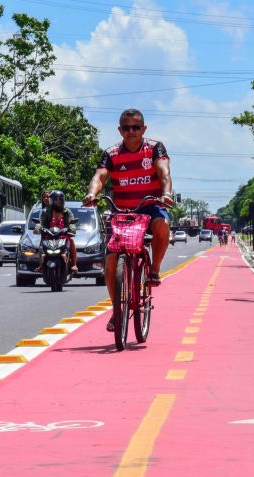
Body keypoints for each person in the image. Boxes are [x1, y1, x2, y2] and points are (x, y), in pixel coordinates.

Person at [83, 108, 174, 331]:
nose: (131, 132)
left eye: (135, 127)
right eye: (126, 128)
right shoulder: (111, 153)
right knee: (111, 259)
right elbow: (99, 176)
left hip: (150, 206)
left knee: (162, 224)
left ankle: (153, 271)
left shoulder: (154, 148)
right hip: (122, 211)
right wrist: (92, 193)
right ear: (120, 130)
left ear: (143, 129)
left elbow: (164, 173)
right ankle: (117, 310)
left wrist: (167, 194)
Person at [36, 190, 78, 273]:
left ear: (62, 201)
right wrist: (37, 228)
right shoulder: (45, 211)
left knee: (72, 241)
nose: (58, 202)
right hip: (49, 235)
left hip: (63, 235)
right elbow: (40, 222)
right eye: (55, 200)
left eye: (59, 200)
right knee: (41, 245)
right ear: (52, 201)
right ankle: (41, 265)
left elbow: (72, 222)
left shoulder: (67, 212)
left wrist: (72, 229)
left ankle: (74, 264)